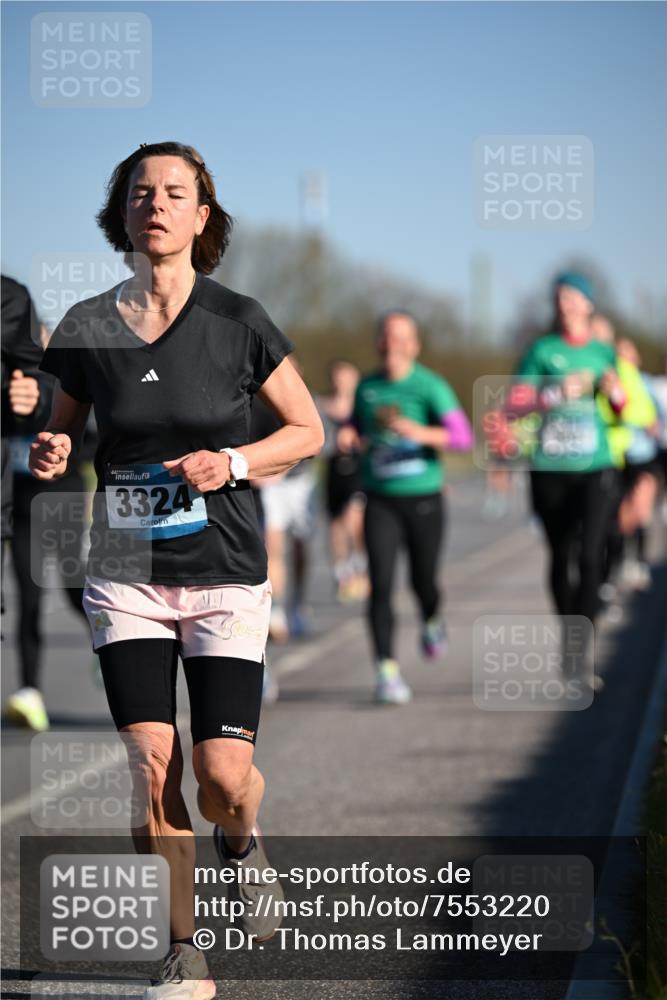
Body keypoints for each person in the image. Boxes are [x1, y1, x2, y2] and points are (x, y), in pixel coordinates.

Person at [30, 141, 324, 999]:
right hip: (124, 567)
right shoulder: (87, 324)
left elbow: (306, 431)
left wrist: (230, 463)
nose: (154, 204)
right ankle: (182, 949)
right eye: (139, 192)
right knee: (150, 765)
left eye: (173, 193)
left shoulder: (239, 321)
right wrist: (52, 450)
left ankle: (241, 840)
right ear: (120, 212)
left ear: (202, 216)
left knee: (222, 777)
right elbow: (62, 430)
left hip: (223, 567)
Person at [339, 310, 473, 704]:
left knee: (423, 581)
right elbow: (356, 426)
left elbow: (462, 437)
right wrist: (349, 433)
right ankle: (386, 669)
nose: (391, 345)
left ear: (414, 345)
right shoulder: (367, 387)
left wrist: (420, 433)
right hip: (381, 499)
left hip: (424, 499)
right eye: (385, 336)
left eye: (400, 338)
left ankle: (431, 618)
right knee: (380, 583)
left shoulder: (430, 385)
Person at [512, 273, 626, 679]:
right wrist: (556, 393)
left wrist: (613, 392)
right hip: (550, 467)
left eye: (572, 297)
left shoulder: (603, 352)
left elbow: (620, 408)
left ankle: (580, 651)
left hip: (595, 466)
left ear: (588, 305)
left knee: (592, 555)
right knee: (561, 555)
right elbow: (515, 405)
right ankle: (568, 633)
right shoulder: (541, 350)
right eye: (559, 298)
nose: (565, 304)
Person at [2, 275, 52, 728]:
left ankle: (109, 647)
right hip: (20, 504)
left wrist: (37, 398)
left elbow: (92, 435)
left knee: (78, 591)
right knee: (29, 594)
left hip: (61, 497)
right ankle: (30, 690)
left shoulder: (60, 379)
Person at [320, 360, 368, 602]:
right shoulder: (323, 406)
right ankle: (341, 572)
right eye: (338, 377)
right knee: (336, 525)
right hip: (334, 468)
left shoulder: (361, 406)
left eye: (347, 377)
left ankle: (361, 567)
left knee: (354, 518)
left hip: (357, 469)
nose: (342, 382)